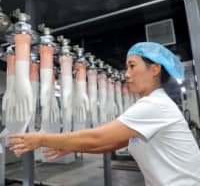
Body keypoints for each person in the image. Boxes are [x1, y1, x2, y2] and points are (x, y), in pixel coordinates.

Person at [9, 42, 200, 186]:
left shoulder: (155, 105)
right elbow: (112, 142)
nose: (126, 74)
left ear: (155, 69)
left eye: (132, 66)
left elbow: (98, 138)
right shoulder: (152, 104)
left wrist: (43, 139)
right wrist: (73, 145)